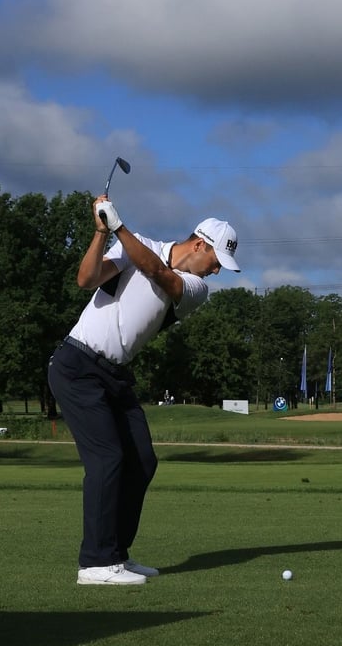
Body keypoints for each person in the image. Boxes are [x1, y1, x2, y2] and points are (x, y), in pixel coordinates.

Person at [48, 194, 240, 585]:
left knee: (142, 461)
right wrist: (101, 234)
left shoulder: (195, 288)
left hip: (115, 374)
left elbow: (159, 274)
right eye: (217, 260)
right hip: (77, 365)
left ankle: (117, 554)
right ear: (200, 244)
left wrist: (119, 226)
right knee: (107, 459)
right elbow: (86, 279)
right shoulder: (139, 245)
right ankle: (95, 563)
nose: (217, 270)